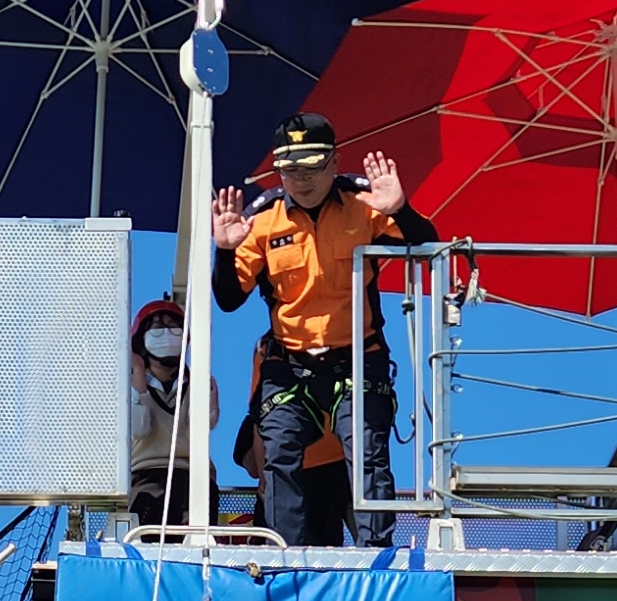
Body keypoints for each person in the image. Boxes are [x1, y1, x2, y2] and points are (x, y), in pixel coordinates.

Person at [210, 113, 435, 546]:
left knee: (367, 451)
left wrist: (399, 210)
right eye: (290, 169)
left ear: (334, 162)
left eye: (312, 167)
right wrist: (224, 251)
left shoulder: (362, 204)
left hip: (358, 359)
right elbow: (229, 298)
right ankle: (285, 556)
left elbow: (426, 245)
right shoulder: (263, 219)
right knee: (279, 451)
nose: (301, 179)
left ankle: (376, 557)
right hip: (290, 365)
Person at [122, 296, 217, 530]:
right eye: (157, 327)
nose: (166, 333)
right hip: (146, 475)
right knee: (149, 540)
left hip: (193, 477)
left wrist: (200, 386)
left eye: (174, 327)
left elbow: (201, 427)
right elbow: (139, 429)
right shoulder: (127, 386)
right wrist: (138, 376)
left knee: (195, 543)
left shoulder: (199, 382)